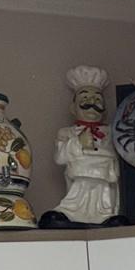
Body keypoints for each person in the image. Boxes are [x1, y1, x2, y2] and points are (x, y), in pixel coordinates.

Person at [43, 65, 122, 226]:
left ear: (105, 110)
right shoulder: (66, 133)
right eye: (85, 99)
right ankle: (71, 214)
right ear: (73, 108)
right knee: (76, 196)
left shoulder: (112, 132)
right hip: (78, 176)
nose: (91, 103)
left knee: (105, 197)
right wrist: (78, 142)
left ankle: (105, 216)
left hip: (104, 175)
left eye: (97, 100)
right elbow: (59, 157)